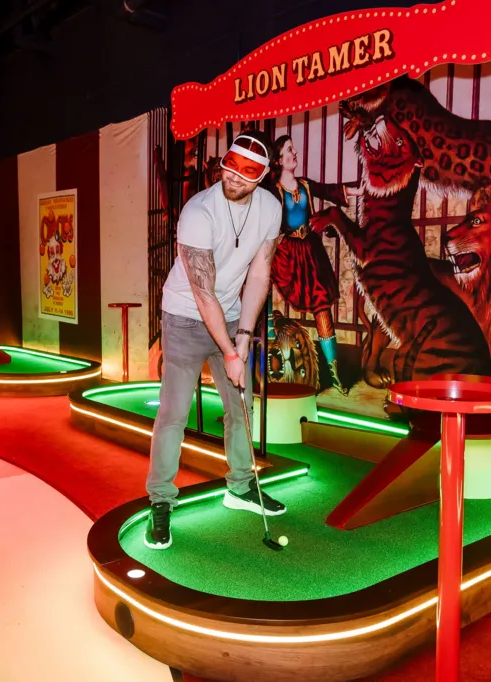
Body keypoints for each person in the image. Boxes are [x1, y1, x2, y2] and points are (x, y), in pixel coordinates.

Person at [146, 131, 286, 550]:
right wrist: (229, 351)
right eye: (230, 165)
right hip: (185, 317)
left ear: (262, 176)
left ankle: (241, 487)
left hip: (228, 315)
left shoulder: (270, 209)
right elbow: (202, 293)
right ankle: (161, 500)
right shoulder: (197, 211)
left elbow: (260, 273)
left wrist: (243, 338)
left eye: (247, 172)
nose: (234, 177)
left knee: (241, 405)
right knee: (174, 412)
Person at [267, 135, 364, 394]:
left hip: (311, 253)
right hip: (287, 253)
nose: (295, 152)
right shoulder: (272, 191)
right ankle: (264, 332)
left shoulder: (306, 185)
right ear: (279, 159)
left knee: (322, 309)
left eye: (293, 147)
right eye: (289, 150)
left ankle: (333, 374)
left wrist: (362, 189)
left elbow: (330, 190)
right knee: (261, 272)